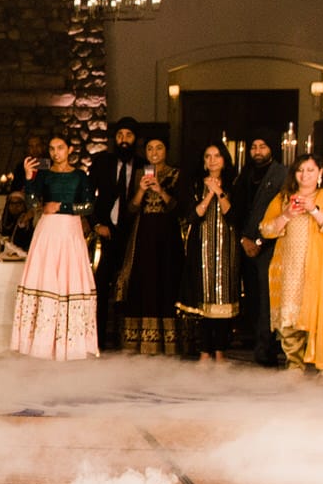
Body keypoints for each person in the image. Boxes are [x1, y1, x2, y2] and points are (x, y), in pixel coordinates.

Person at [258, 154, 323, 376]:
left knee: (321, 312)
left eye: (310, 170)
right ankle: (294, 364)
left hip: (320, 269)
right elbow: (266, 230)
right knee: (290, 317)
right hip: (289, 267)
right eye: (300, 170)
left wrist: (314, 210)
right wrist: (287, 215)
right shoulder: (284, 198)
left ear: (320, 173)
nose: (305, 175)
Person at [12, 134, 99, 360]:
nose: (55, 153)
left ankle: (72, 342)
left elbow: (88, 206)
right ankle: (42, 341)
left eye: (60, 148)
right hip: (48, 232)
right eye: (51, 149)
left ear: (69, 149)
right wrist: (30, 178)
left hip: (70, 231)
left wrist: (61, 206)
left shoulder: (80, 176)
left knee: (69, 279)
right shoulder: (45, 175)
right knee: (46, 278)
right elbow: (31, 203)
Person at [114, 137, 183, 355]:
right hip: (142, 236)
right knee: (142, 281)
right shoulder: (138, 174)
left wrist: (160, 189)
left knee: (166, 281)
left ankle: (168, 341)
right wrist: (142, 190)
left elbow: (176, 207)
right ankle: (138, 340)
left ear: (166, 151)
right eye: (150, 148)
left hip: (167, 238)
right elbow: (130, 210)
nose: (154, 152)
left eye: (159, 148)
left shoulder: (176, 174)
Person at [176, 143, 239, 362]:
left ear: (224, 160)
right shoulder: (194, 184)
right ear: (203, 161)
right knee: (202, 301)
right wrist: (209, 194)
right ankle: (204, 351)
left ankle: (220, 350)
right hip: (200, 249)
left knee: (223, 301)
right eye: (207, 156)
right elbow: (192, 216)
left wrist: (219, 191)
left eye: (217, 156)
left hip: (226, 250)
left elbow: (234, 216)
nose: (212, 160)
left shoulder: (234, 183)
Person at [88, 116, 146, 349]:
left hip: (134, 234)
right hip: (105, 232)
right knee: (101, 286)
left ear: (135, 139)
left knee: (131, 287)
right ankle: (98, 339)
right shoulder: (102, 161)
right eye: (120, 135)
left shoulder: (144, 165)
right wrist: (96, 224)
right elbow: (87, 196)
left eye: (128, 136)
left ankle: (127, 339)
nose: (123, 140)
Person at [233, 131, 288, 367]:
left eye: (262, 146)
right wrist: (244, 239)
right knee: (253, 299)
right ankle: (252, 340)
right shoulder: (244, 175)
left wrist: (257, 242)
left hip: (270, 245)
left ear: (271, 149)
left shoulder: (282, 174)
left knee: (268, 300)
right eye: (254, 146)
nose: (257, 151)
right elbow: (238, 210)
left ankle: (267, 349)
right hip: (245, 245)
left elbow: (279, 213)